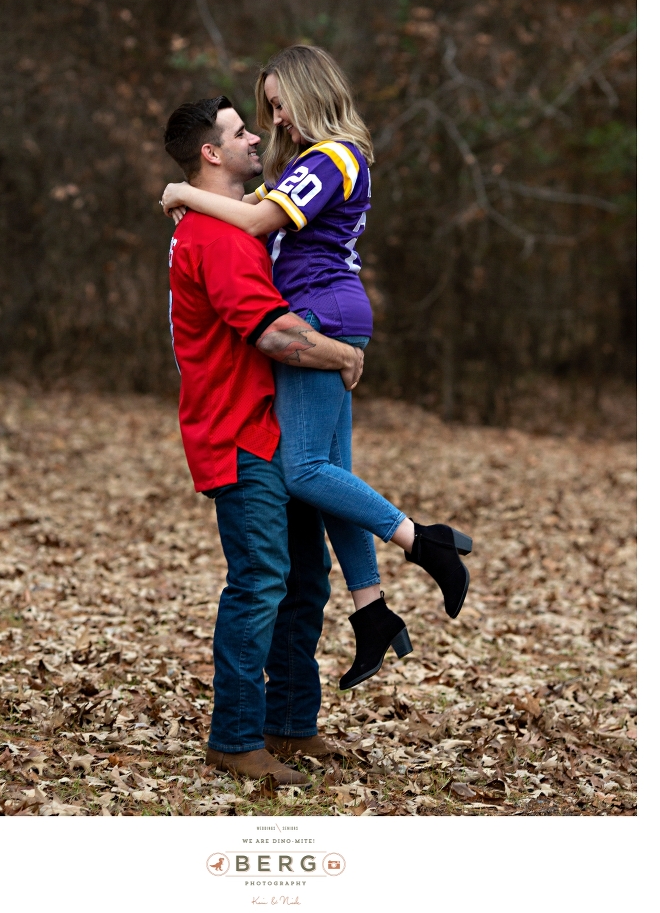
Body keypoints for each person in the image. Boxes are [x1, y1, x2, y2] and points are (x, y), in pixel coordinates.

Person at [161, 47, 473, 690]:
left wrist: (183, 190)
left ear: (311, 93)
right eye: (266, 108)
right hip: (329, 309)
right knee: (329, 473)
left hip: (320, 314)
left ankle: (424, 540)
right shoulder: (317, 160)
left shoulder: (331, 156)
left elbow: (250, 220)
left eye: (280, 104)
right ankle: (371, 611)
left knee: (303, 469)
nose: (274, 119)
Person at [163, 95, 364, 785]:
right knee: (259, 585)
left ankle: (290, 724)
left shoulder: (235, 227)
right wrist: (341, 355)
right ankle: (236, 738)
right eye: (240, 130)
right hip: (235, 434)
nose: (257, 135)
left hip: (279, 432)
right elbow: (273, 333)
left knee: (305, 583)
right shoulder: (215, 238)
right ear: (210, 154)